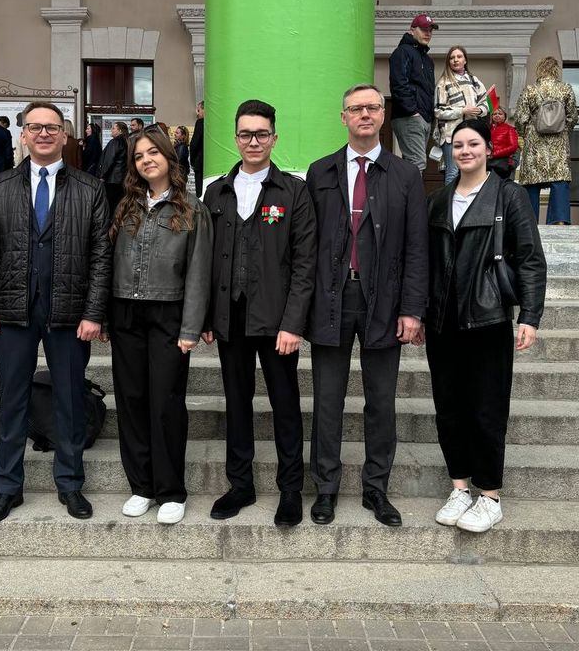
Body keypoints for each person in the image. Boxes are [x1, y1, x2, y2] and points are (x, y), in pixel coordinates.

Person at [0, 101, 111, 523]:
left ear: (64, 135)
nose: (44, 134)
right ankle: (7, 488)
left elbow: (101, 256)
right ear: (24, 135)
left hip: (69, 312)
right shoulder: (0, 186)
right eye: (35, 127)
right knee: (12, 400)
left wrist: (94, 313)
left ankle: (69, 483)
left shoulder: (90, 188)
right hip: (13, 311)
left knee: (69, 399)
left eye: (52, 127)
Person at [305, 84, 428, 527]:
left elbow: (417, 247)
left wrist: (412, 309)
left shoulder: (405, 174)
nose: (365, 115)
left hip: (385, 302)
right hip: (331, 300)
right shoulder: (320, 172)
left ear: (382, 115)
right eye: (356, 108)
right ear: (343, 117)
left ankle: (376, 488)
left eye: (373, 107)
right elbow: (307, 246)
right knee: (327, 400)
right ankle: (325, 488)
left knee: (381, 401)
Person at [416, 118, 546, 533]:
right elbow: (424, 262)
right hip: (443, 321)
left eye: (473, 144)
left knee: (487, 409)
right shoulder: (438, 200)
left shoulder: (508, 196)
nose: (465, 151)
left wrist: (530, 316)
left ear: (489, 149)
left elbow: (530, 257)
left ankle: (489, 495)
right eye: (458, 145)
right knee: (449, 407)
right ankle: (459, 487)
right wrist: (420, 312)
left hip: (488, 317)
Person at [202, 100, 317, 527]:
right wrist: (207, 317)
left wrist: (293, 323)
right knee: (237, 403)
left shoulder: (293, 192)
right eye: (246, 134)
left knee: (285, 404)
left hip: (277, 321)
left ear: (274, 138)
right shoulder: (216, 192)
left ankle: (291, 489)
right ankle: (241, 484)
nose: (254, 141)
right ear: (236, 138)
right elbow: (205, 261)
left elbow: (305, 263)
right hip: (230, 318)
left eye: (261, 134)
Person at [107, 125, 211, 525]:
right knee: (131, 401)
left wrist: (190, 327)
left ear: (169, 156)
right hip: (126, 313)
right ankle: (142, 487)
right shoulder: (125, 206)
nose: (146, 160)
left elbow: (199, 271)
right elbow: (109, 260)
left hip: (169, 314)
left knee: (165, 403)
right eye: (138, 156)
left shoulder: (191, 208)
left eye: (153, 152)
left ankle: (170, 490)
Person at [513, 56, 578, 225]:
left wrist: (525, 134)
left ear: (539, 69)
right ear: (556, 70)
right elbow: (573, 116)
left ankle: (529, 222)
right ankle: (559, 220)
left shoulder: (530, 90)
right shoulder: (565, 89)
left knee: (532, 182)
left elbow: (520, 118)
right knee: (560, 179)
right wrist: (563, 130)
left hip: (535, 140)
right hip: (559, 141)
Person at [389, 14, 438, 174]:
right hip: (410, 116)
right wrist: (413, 112)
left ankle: (402, 192)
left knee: (411, 164)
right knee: (417, 163)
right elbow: (399, 84)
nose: (428, 33)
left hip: (423, 117)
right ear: (412, 30)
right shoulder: (402, 52)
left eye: (430, 30)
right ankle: (413, 193)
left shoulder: (427, 60)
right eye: (423, 29)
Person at [433, 45, 489, 184]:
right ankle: (450, 199)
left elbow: (487, 103)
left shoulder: (474, 80)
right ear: (448, 62)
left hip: (472, 131)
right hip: (450, 134)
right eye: (452, 58)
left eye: (459, 56)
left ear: (465, 60)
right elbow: (438, 111)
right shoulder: (443, 83)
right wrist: (462, 111)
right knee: (453, 172)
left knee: (472, 170)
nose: (455, 60)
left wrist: (480, 110)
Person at [98, 121, 128, 213]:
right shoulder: (127, 141)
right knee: (119, 205)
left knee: (110, 206)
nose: (111, 130)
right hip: (122, 179)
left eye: (113, 128)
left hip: (112, 180)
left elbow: (108, 161)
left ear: (120, 131)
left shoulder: (115, 142)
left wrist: (102, 175)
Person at [488, 107, 519, 180]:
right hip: (489, 163)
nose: (497, 115)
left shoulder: (510, 129)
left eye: (500, 114)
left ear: (505, 116)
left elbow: (513, 146)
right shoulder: (488, 129)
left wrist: (494, 154)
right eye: (494, 114)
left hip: (503, 164)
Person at [192, 101, 205, 196]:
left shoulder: (200, 123)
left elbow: (195, 143)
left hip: (200, 162)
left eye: (199, 110)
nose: (198, 113)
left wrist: (192, 161)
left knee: (200, 193)